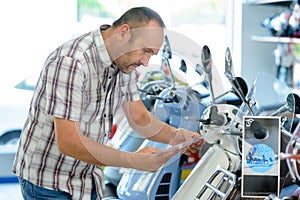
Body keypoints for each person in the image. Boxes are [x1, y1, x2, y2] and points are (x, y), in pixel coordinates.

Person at [13, 6, 204, 199]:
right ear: (124, 32)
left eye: (151, 55)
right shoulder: (72, 62)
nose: (146, 62)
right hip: (49, 183)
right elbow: (69, 142)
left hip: (87, 178)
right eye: (145, 51)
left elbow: (138, 116)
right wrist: (135, 161)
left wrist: (176, 136)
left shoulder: (124, 62)